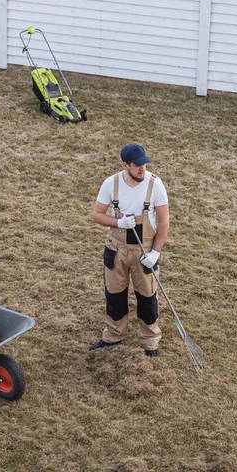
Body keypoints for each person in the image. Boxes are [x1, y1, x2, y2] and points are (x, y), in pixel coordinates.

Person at [89, 144, 169, 356]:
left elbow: (163, 223)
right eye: (137, 166)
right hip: (116, 251)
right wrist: (118, 222)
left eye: (144, 164)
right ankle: (114, 335)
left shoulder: (155, 185)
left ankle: (150, 342)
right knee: (114, 295)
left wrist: (155, 253)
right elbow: (97, 214)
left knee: (148, 298)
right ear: (125, 165)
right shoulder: (111, 184)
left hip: (144, 254)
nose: (143, 169)